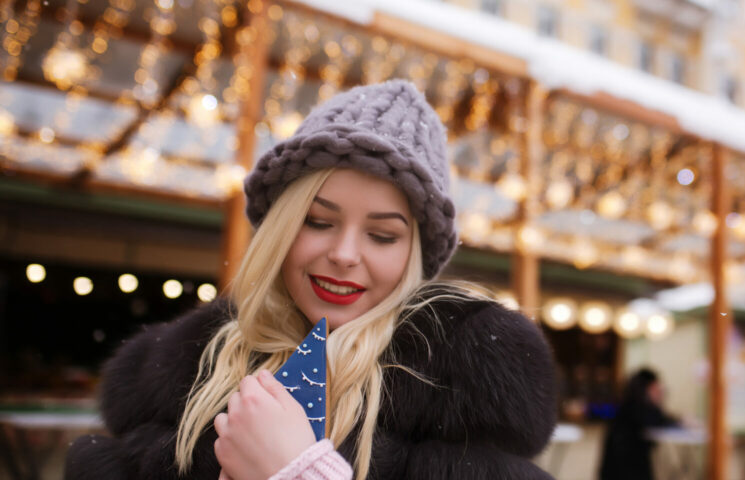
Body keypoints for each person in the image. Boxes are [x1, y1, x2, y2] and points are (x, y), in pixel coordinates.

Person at [64, 80, 558, 480]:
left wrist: (300, 473)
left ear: (414, 255)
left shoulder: (456, 385)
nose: (343, 255)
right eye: (318, 221)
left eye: (382, 235)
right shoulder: (190, 365)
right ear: (281, 226)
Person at [599, 368, 678, 480]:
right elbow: (658, 421)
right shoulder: (636, 406)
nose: (658, 391)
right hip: (625, 469)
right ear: (647, 388)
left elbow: (660, 420)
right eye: (655, 388)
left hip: (622, 467)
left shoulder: (628, 402)